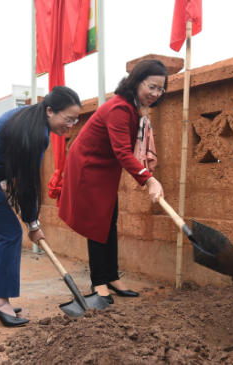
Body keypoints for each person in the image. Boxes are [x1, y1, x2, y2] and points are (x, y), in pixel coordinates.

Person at [0, 86, 81, 327]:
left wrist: (31, 220)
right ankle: (0, 302)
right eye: (68, 118)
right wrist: (33, 225)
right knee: (10, 232)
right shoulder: (34, 133)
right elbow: (28, 185)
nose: (71, 124)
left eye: (76, 119)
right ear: (50, 111)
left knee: (3, 232)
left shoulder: (31, 119)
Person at [59, 59, 167, 304]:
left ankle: (111, 276)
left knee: (110, 221)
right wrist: (150, 180)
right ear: (136, 81)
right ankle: (99, 286)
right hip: (89, 167)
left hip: (105, 168)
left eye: (160, 89)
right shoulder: (119, 108)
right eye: (151, 86)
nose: (155, 93)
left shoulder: (132, 107)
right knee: (98, 225)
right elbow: (123, 152)